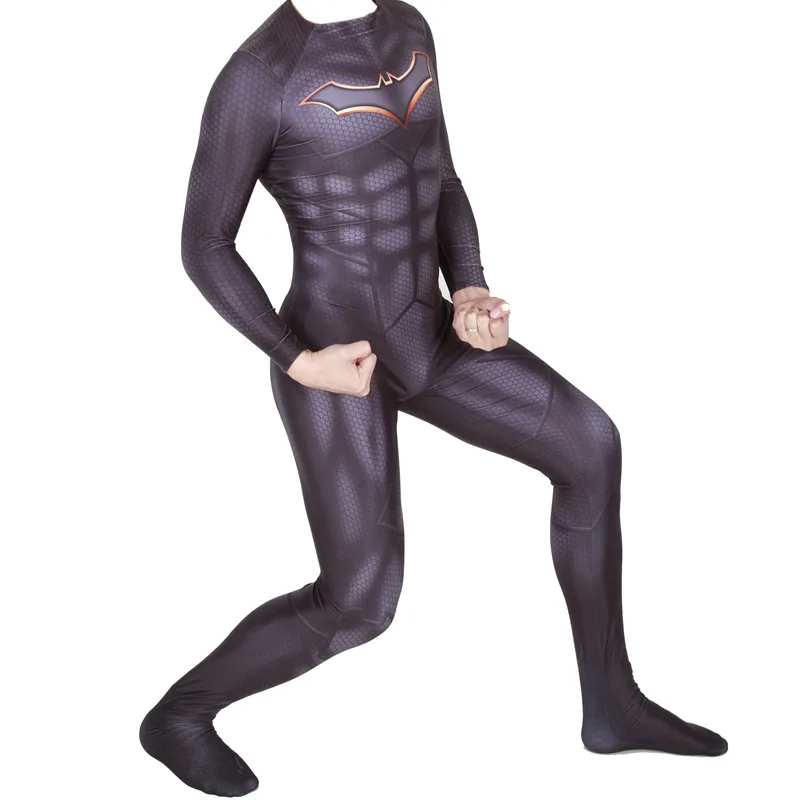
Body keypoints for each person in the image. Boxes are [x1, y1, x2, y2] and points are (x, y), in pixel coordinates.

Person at [139, 0, 728, 794]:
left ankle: (612, 706)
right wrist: (297, 359)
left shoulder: (410, 28)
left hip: (429, 333)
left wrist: (471, 286)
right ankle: (179, 716)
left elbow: (439, 178)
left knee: (590, 446)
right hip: (336, 357)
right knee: (360, 604)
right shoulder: (260, 73)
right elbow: (205, 243)